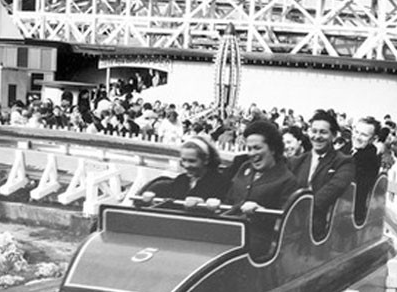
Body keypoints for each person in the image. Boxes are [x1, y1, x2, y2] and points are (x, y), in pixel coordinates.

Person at [227, 120, 299, 258]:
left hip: (257, 247)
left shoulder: (286, 180)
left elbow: (288, 224)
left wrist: (261, 210)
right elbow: (229, 200)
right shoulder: (244, 168)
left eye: (257, 148)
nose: (252, 153)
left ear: (272, 148)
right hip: (230, 235)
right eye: (249, 148)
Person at [289, 110, 355, 237]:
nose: (317, 136)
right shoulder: (297, 161)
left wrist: (296, 210)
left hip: (320, 228)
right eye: (314, 131)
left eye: (323, 132)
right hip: (291, 224)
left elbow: (330, 192)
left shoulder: (344, 162)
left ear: (334, 136)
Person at [139, 136, 229, 201]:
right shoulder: (181, 180)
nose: (186, 165)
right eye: (184, 160)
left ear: (205, 160)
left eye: (192, 161)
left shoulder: (220, 183)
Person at [350, 116, 381, 223]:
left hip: (349, 214)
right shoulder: (347, 149)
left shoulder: (369, 160)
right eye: (356, 132)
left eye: (363, 135)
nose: (357, 137)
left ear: (374, 139)